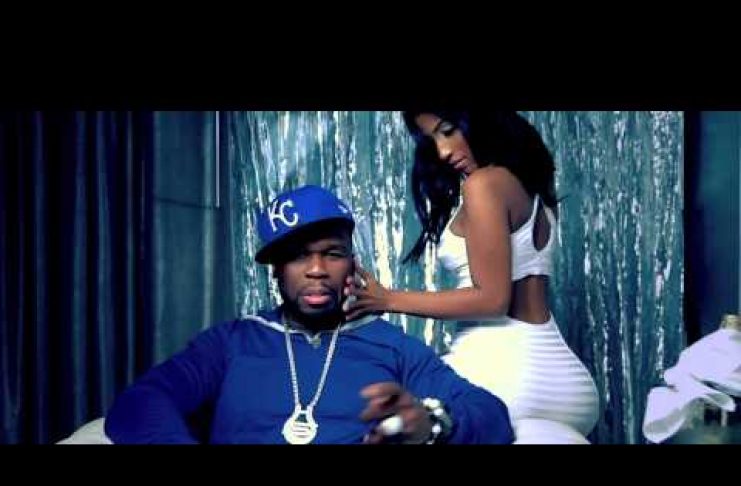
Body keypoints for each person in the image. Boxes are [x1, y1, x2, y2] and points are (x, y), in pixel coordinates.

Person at [104, 184, 514, 444]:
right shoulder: (232, 341)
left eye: (332, 254)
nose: (317, 269)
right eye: (299, 256)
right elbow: (140, 402)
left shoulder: (391, 345)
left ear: (352, 265)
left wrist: (432, 424)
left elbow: (492, 415)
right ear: (276, 270)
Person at [344, 111, 600, 442]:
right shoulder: (531, 186)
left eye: (448, 131)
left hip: (503, 375)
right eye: (433, 140)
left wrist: (388, 299)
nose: (443, 151)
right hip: (566, 381)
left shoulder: (483, 185)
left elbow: (493, 300)